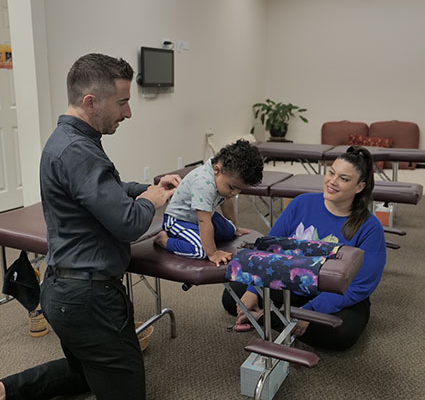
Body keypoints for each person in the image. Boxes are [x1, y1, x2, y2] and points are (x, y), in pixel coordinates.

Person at [0, 53, 181, 400]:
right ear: (90, 101)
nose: (127, 113)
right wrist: (152, 200)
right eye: (122, 102)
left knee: (83, 372)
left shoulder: (70, 141)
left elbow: (104, 191)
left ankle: (8, 390)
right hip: (88, 301)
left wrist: (144, 187)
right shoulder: (77, 151)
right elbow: (129, 223)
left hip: (66, 293)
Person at [222, 146, 387, 351]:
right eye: (331, 173)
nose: (332, 182)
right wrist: (253, 289)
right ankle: (279, 319)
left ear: (359, 186)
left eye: (344, 179)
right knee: (233, 296)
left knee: (342, 333)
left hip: (336, 294)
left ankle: (267, 318)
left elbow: (361, 285)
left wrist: (309, 311)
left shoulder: (370, 227)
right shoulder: (301, 203)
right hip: (293, 282)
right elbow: (270, 249)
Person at [154, 139, 264, 266]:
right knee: (200, 251)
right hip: (179, 220)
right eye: (232, 187)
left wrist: (235, 227)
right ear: (217, 170)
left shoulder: (221, 176)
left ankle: (207, 235)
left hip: (201, 217)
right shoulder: (203, 184)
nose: (235, 193)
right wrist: (212, 253)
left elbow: (227, 202)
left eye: (240, 189)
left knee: (230, 231)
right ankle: (164, 240)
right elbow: (203, 221)